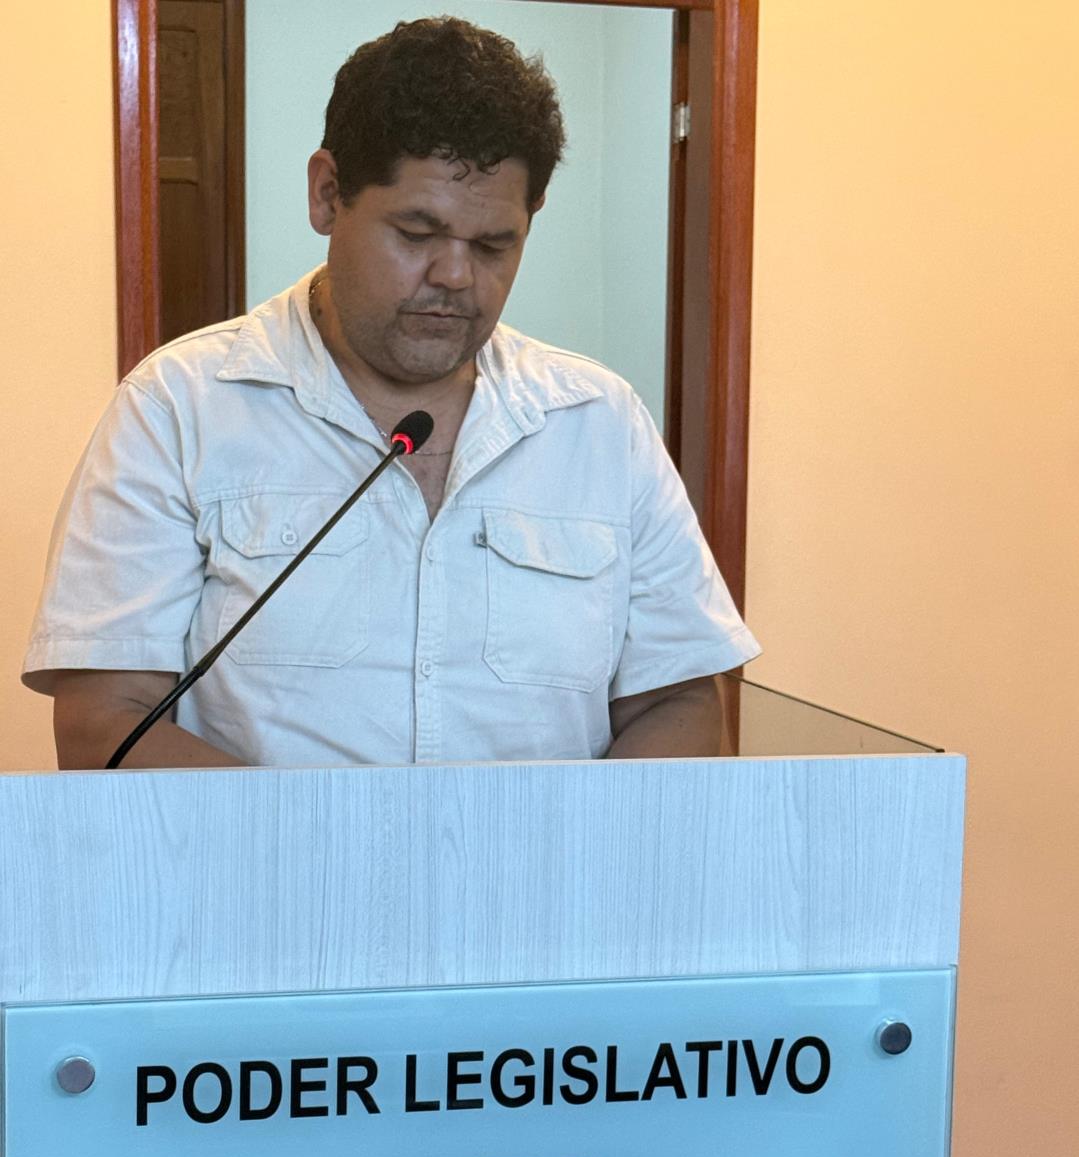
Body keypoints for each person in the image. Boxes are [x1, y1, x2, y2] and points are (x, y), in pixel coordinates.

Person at [22, 17, 759, 769]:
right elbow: (104, 726)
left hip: (553, 852)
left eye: (493, 244)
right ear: (327, 194)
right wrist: (325, 841)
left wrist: (564, 843)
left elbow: (680, 701)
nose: (455, 276)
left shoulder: (599, 422)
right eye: (416, 233)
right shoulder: (177, 408)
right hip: (268, 853)